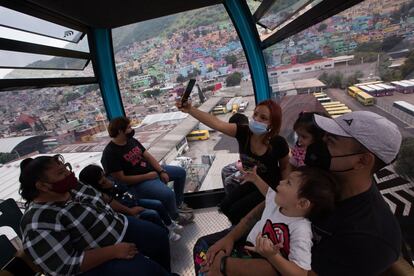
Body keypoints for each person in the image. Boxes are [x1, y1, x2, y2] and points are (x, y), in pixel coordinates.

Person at [19, 155, 172, 276]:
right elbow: (64, 265)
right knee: (145, 271)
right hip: (95, 259)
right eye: (60, 173)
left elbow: (103, 198)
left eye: (66, 168)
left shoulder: (73, 186)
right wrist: (113, 251)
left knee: (159, 237)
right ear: (42, 186)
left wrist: (129, 211)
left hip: (117, 225)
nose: (68, 174)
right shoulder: (37, 222)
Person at [305, 111, 402, 275]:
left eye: (330, 141)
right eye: (324, 137)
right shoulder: (320, 182)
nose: (319, 144)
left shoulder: (370, 237)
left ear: (362, 160)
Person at [193, 166, 339, 276]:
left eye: (288, 183)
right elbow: (268, 191)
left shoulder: (301, 229)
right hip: (247, 250)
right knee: (206, 253)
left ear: (302, 203)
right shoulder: (277, 204)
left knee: (209, 259)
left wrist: (273, 256)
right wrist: (255, 179)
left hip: (261, 261)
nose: (281, 182)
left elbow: (300, 272)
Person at [177, 99, 290, 224]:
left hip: (268, 187)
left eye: (263, 118)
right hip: (251, 182)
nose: (256, 119)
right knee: (224, 206)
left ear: (272, 124)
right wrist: (190, 109)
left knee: (237, 211)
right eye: (255, 114)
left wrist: (284, 193)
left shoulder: (278, 143)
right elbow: (217, 123)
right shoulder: (244, 133)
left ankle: (244, 233)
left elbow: (285, 167)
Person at [101, 116, 194, 226]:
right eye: (129, 127)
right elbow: (122, 179)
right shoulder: (110, 153)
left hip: (151, 172)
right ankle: (175, 216)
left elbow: (148, 156)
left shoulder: (131, 141)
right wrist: (148, 176)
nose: (132, 129)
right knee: (168, 194)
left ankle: (178, 204)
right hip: (138, 182)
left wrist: (161, 171)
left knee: (180, 173)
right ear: (120, 131)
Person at [79, 164, 182, 241]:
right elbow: (117, 206)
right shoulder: (102, 195)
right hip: (127, 210)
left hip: (134, 201)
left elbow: (124, 187)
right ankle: (166, 233)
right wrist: (131, 210)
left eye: (104, 176)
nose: (105, 179)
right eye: (101, 180)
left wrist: (113, 185)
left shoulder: (111, 180)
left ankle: (169, 224)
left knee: (158, 204)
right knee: (152, 214)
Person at [220, 113, 249, 194]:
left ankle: (232, 200)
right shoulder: (242, 137)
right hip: (246, 164)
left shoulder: (249, 137)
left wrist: (242, 168)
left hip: (252, 168)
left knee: (228, 181)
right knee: (225, 170)